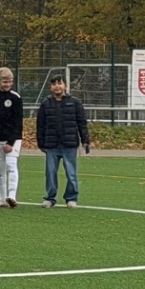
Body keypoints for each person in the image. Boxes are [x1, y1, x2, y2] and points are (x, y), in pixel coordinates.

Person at [37, 74, 91, 208]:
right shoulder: (45, 103)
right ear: (50, 87)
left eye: (60, 83)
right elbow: (40, 125)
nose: (57, 86)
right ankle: (50, 198)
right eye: (54, 84)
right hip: (52, 144)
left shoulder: (75, 102)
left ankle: (71, 198)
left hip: (69, 144)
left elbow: (82, 122)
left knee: (71, 173)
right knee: (50, 173)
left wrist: (85, 139)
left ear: (65, 85)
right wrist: (41, 143)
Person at [0, 67, 26, 207]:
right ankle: (2, 198)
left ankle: (12, 196)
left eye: (10, 81)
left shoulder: (15, 97)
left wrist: (11, 142)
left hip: (13, 138)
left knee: (11, 165)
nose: (8, 84)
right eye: (5, 82)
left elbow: (17, 122)